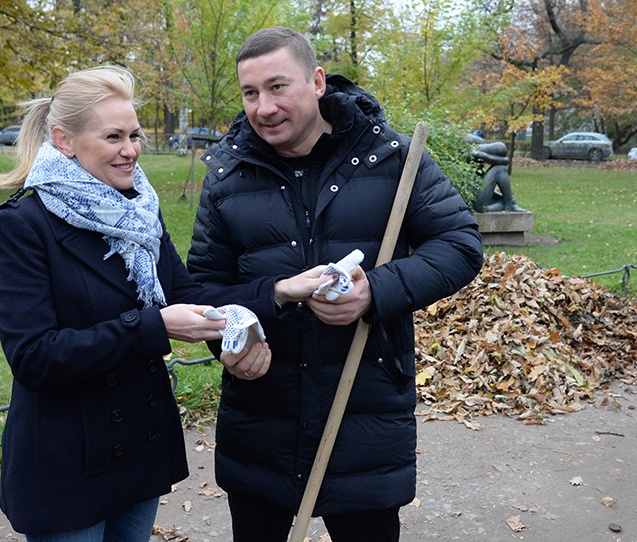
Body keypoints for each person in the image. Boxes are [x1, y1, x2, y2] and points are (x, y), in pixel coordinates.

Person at [0, 66, 326, 542]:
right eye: (113, 137)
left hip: (137, 448)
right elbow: (36, 357)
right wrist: (153, 325)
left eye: (135, 135)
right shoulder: (22, 225)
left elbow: (186, 296)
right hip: (69, 462)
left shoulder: (139, 210)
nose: (131, 150)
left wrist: (279, 291)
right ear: (64, 141)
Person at [187, 27, 485, 542]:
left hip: (364, 412)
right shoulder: (227, 176)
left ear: (318, 81)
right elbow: (205, 290)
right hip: (262, 419)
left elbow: (459, 245)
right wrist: (231, 341)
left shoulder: (389, 158)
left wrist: (377, 291)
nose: (263, 108)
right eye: (250, 93)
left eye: (278, 87)